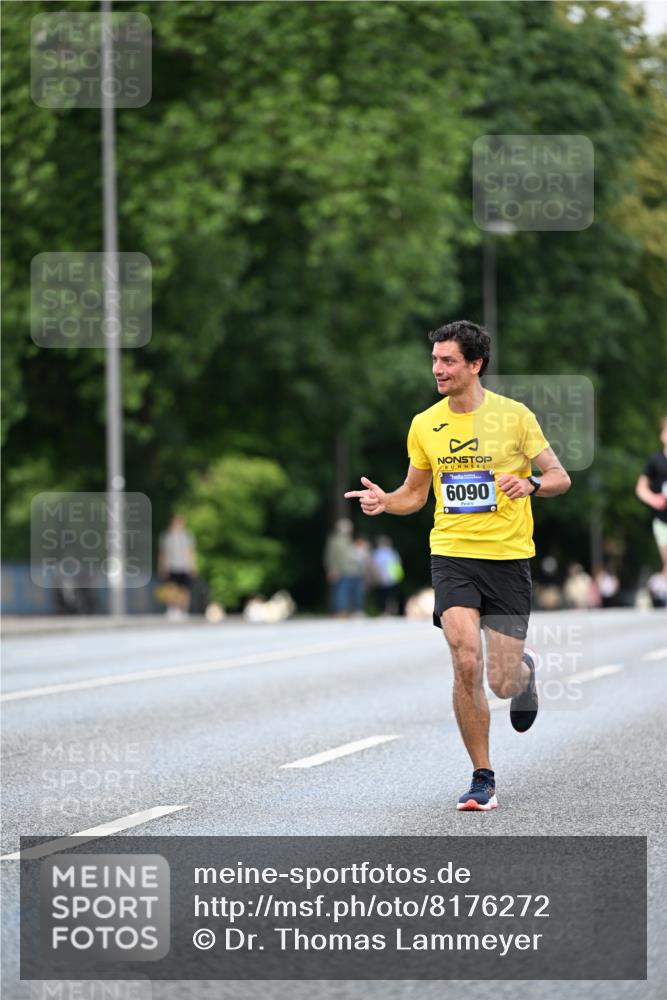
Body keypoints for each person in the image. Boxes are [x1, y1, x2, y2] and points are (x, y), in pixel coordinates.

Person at [345, 320, 571, 811]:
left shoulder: (514, 418)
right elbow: (414, 495)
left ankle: (523, 676)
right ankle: (482, 777)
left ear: (475, 364)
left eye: (448, 361)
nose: (438, 369)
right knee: (466, 658)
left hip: (509, 559)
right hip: (452, 554)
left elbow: (559, 477)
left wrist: (530, 484)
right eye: (435, 361)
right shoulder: (425, 424)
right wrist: (386, 501)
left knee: (501, 681)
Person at [635, 416, 667, 580]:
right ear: (663, 435)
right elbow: (640, 488)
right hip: (662, 521)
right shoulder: (655, 461)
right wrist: (653, 499)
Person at [158, 514, 197, 618]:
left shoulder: (187, 536)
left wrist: (192, 565)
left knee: (184, 589)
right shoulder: (166, 536)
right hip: (171, 566)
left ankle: (183, 610)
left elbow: (190, 552)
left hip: (184, 566)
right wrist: (162, 566)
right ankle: (171, 609)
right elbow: (163, 553)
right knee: (171, 588)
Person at [324, 518, 358, 616]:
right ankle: (339, 611)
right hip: (339, 570)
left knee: (347, 591)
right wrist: (332, 569)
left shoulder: (348, 540)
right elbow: (330, 556)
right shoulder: (334, 540)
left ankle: (347, 610)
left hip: (350, 570)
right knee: (339, 592)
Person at [372, 536, 404, 615]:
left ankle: (387, 611)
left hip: (387, 577)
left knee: (385, 595)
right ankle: (388, 610)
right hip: (389, 577)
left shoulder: (378, 553)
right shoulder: (391, 552)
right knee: (388, 595)